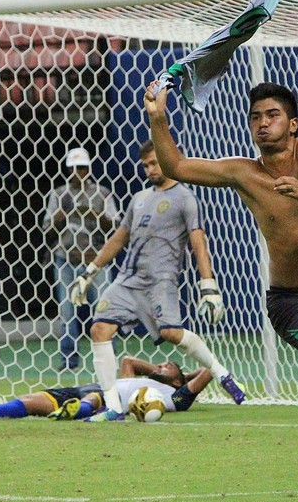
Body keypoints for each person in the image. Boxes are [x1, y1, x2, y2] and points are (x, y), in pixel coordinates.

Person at [144, 81, 298, 502]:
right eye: (255, 117)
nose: (262, 123)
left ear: (292, 123)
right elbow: (176, 163)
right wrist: (157, 117)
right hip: (290, 298)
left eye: (271, 115)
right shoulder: (242, 172)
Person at [70, 139, 246, 422]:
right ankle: (114, 407)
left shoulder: (185, 198)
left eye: (155, 163)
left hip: (161, 282)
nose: (150, 169)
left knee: (171, 334)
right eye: (146, 165)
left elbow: (198, 240)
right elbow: (119, 237)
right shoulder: (139, 199)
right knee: (99, 330)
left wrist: (208, 285)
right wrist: (90, 272)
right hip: (128, 280)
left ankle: (221, 372)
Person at [0, 356, 211, 421]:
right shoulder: (137, 378)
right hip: (78, 390)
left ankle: (79, 412)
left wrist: (183, 378)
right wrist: (166, 372)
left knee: (96, 396)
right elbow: (128, 360)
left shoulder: (171, 397)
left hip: (103, 400)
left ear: (178, 382)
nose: (160, 365)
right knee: (27, 402)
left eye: (167, 366)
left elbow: (208, 371)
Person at [42, 146, 120, 370]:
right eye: (75, 168)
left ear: (89, 169)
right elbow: (47, 229)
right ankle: (69, 361)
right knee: (67, 311)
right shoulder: (59, 194)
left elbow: (116, 226)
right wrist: (64, 214)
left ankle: (109, 358)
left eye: (83, 168)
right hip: (66, 258)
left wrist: (94, 215)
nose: (79, 172)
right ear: (68, 169)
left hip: (96, 260)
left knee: (105, 309)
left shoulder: (102, 193)